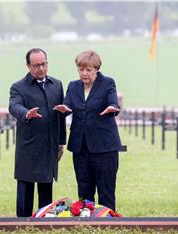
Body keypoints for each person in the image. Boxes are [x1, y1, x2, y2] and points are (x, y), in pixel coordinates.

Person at [54, 50, 122, 211]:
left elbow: (114, 103)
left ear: (96, 69)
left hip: (105, 147)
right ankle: (86, 219)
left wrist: (113, 108)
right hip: (80, 146)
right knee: (84, 188)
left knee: (106, 188)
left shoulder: (107, 83)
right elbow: (68, 105)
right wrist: (64, 109)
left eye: (88, 70)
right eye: (80, 69)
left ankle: (107, 222)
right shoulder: (73, 86)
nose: (84, 73)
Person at [9, 48, 66, 217]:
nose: (41, 69)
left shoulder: (57, 85)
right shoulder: (18, 87)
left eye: (44, 64)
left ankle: (44, 224)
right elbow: (14, 106)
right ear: (28, 66)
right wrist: (26, 113)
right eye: (36, 66)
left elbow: (60, 117)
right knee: (25, 191)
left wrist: (61, 143)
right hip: (28, 148)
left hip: (49, 147)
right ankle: (23, 225)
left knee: (46, 194)